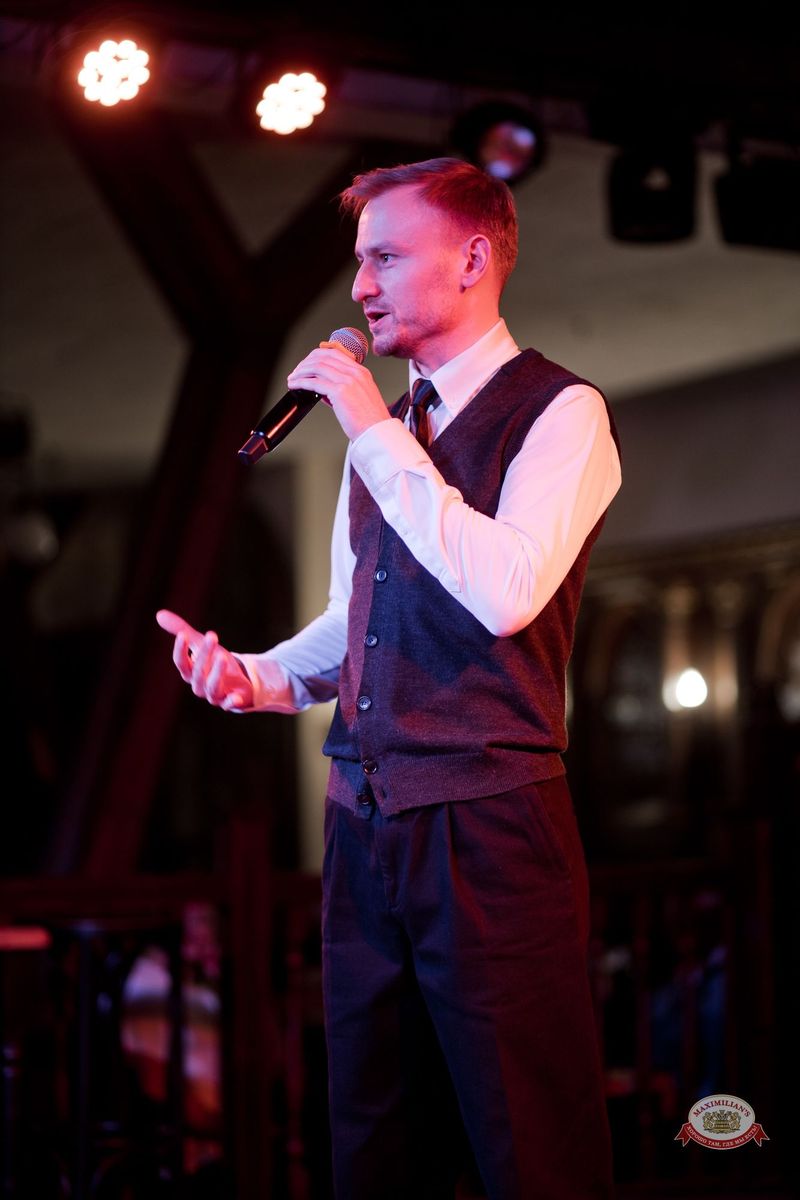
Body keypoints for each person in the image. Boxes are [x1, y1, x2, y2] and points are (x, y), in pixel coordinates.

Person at [157, 157, 621, 1199]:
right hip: (362, 826)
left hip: (488, 823)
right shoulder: (389, 431)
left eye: (386, 257)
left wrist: (370, 432)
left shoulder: (559, 412)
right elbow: (354, 618)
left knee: (528, 1144)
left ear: (472, 259)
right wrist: (256, 677)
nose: (360, 286)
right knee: (373, 1140)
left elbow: (504, 592)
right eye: (359, 261)